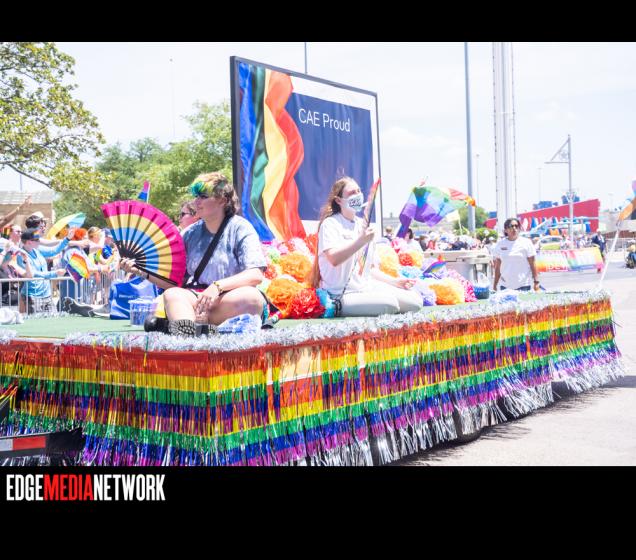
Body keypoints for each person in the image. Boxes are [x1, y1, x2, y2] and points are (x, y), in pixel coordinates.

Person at [120, 172, 268, 337]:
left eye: (203, 197)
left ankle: (190, 325)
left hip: (228, 299)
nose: (196, 202)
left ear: (223, 200)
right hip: (197, 300)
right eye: (196, 196)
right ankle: (190, 331)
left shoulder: (241, 227)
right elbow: (174, 283)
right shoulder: (189, 234)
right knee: (172, 294)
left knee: (251, 298)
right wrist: (141, 271)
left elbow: (255, 274)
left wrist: (217, 287)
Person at [312, 176, 421, 317]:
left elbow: (369, 269)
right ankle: (336, 307)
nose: (357, 195)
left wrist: (395, 282)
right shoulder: (330, 224)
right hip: (341, 293)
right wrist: (361, 241)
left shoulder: (362, 225)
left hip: (366, 287)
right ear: (338, 200)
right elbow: (334, 259)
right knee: (390, 304)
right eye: (352, 193)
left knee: (414, 302)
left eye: (358, 191)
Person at [16, 227, 75, 313]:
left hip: (46, 293)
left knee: (54, 319)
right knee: (36, 321)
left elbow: (54, 251)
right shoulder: (20, 255)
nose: (39, 241)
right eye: (37, 240)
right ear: (29, 242)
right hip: (33, 295)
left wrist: (67, 239)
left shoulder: (37, 249)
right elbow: (33, 274)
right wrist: (54, 273)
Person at [492, 218, 540, 292]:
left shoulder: (526, 243)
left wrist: (536, 281)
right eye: (511, 226)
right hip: (505, 286)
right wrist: (495, 284)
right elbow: (498, 267)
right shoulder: (500, 244)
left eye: (516, 226)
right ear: (505, 230)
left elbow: (532, 263)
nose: (514, 228)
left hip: (523, 285)